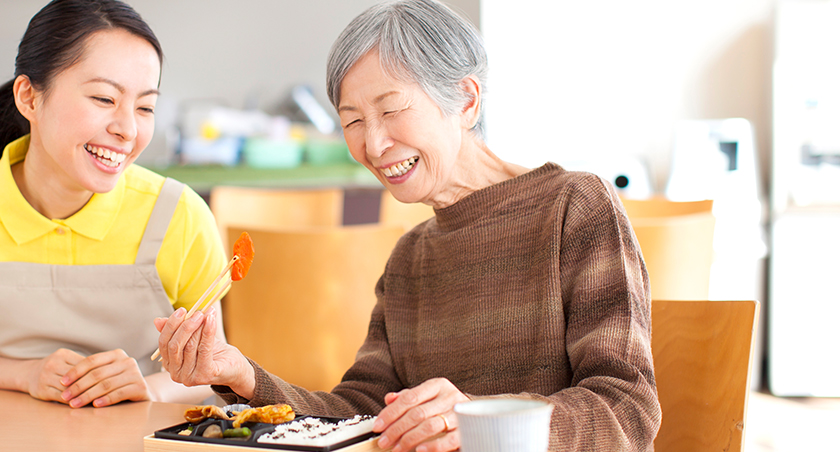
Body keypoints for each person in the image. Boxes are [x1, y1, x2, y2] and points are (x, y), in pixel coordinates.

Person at [155, 0, 661, 450]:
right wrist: (242, 376)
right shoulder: (411, 255)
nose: (373, 146)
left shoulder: (575, 206)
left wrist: (479, 422)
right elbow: (363, 412)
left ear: (465, 100)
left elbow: (626, 408)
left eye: (391, 109)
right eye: (352, 121)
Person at [0, 0, 229, 408]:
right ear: (29, 98)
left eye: (145, 107)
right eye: (105, 99)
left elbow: (215, 373)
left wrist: (149, 385)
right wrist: (24, 373)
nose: (127, 130)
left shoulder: (179, 215)